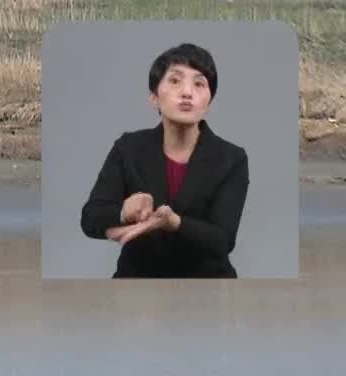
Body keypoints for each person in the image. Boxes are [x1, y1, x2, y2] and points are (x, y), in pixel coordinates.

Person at [79, 42, 249, 278]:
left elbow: (223, 240)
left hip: (207, 288)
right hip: (137, 287)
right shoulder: (128, 148)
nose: (187, 92)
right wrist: (122, 212)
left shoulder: (231, 158)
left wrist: (174, 222)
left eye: (199, 84)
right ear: (154, 97)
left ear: (208, 103)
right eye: (175, 80)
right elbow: (90, 218)